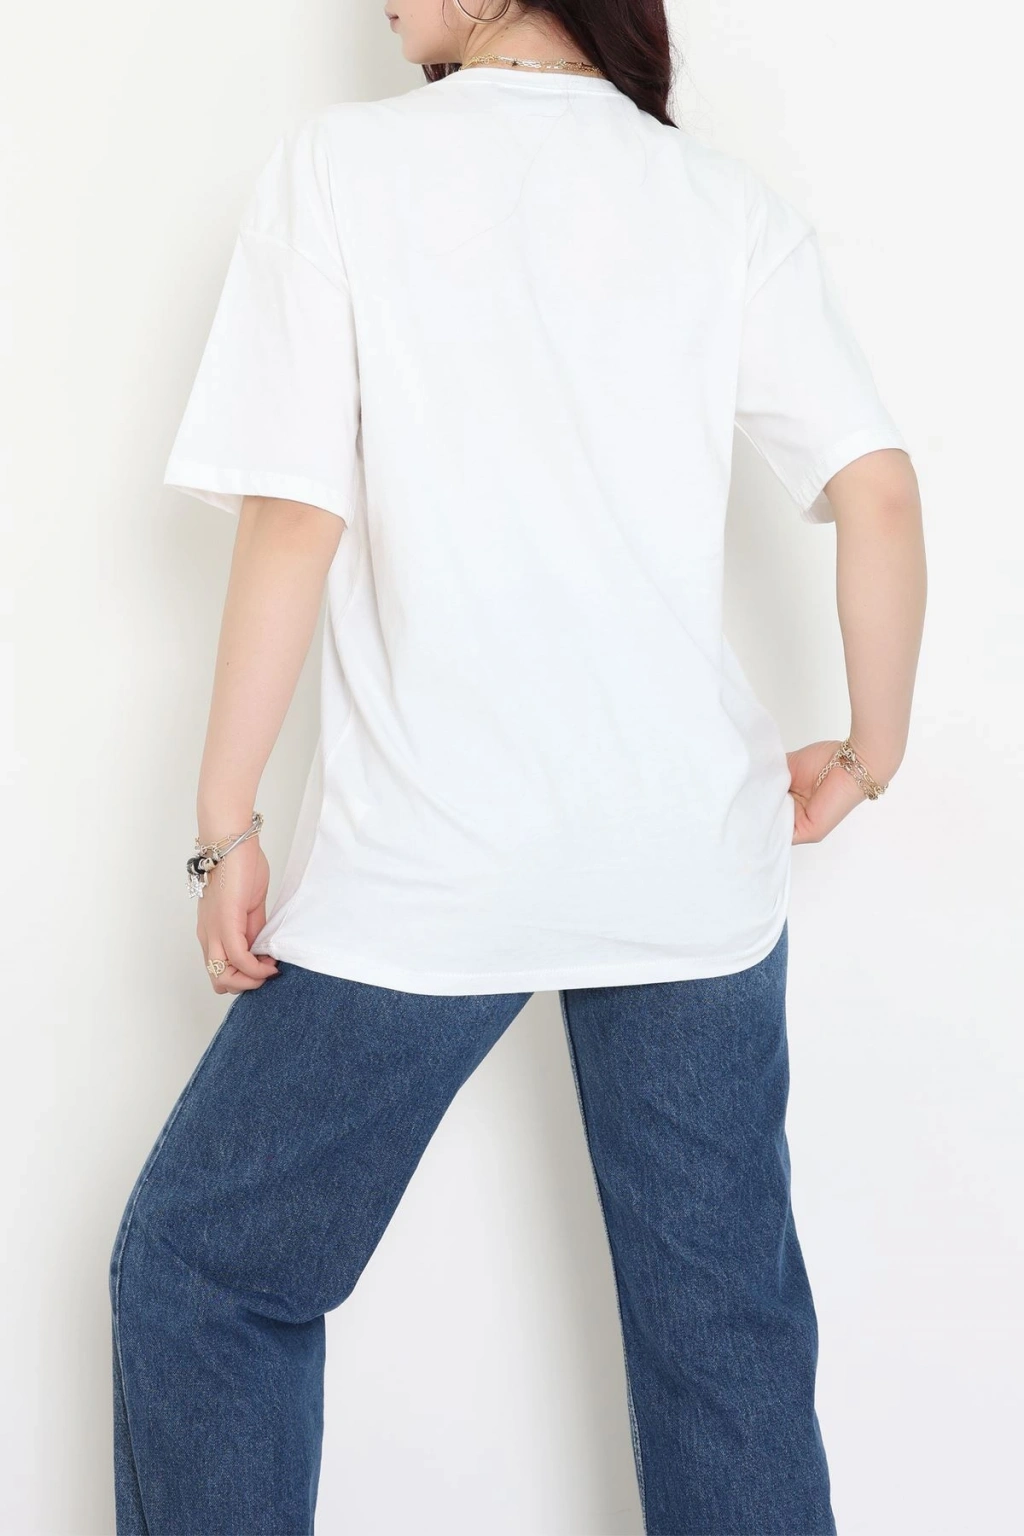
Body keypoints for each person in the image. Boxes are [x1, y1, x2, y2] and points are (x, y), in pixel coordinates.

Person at [107, 0, 927, 1531]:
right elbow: (876, 490)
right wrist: (869, 752)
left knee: (204, 1271)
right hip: (688, 858)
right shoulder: (717, 202)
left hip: (434, 858)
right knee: (725, 1343)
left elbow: (294, 514)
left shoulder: (342, 173)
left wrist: (226, 820)